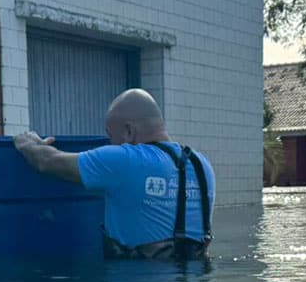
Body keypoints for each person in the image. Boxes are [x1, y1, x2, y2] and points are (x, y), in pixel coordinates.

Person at [13, 89, 214, 259]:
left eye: (111, 136)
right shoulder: (202, 165)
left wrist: (26, 142)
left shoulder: (124, 160)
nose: (110, 143)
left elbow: (46, 162)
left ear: (128, 131)